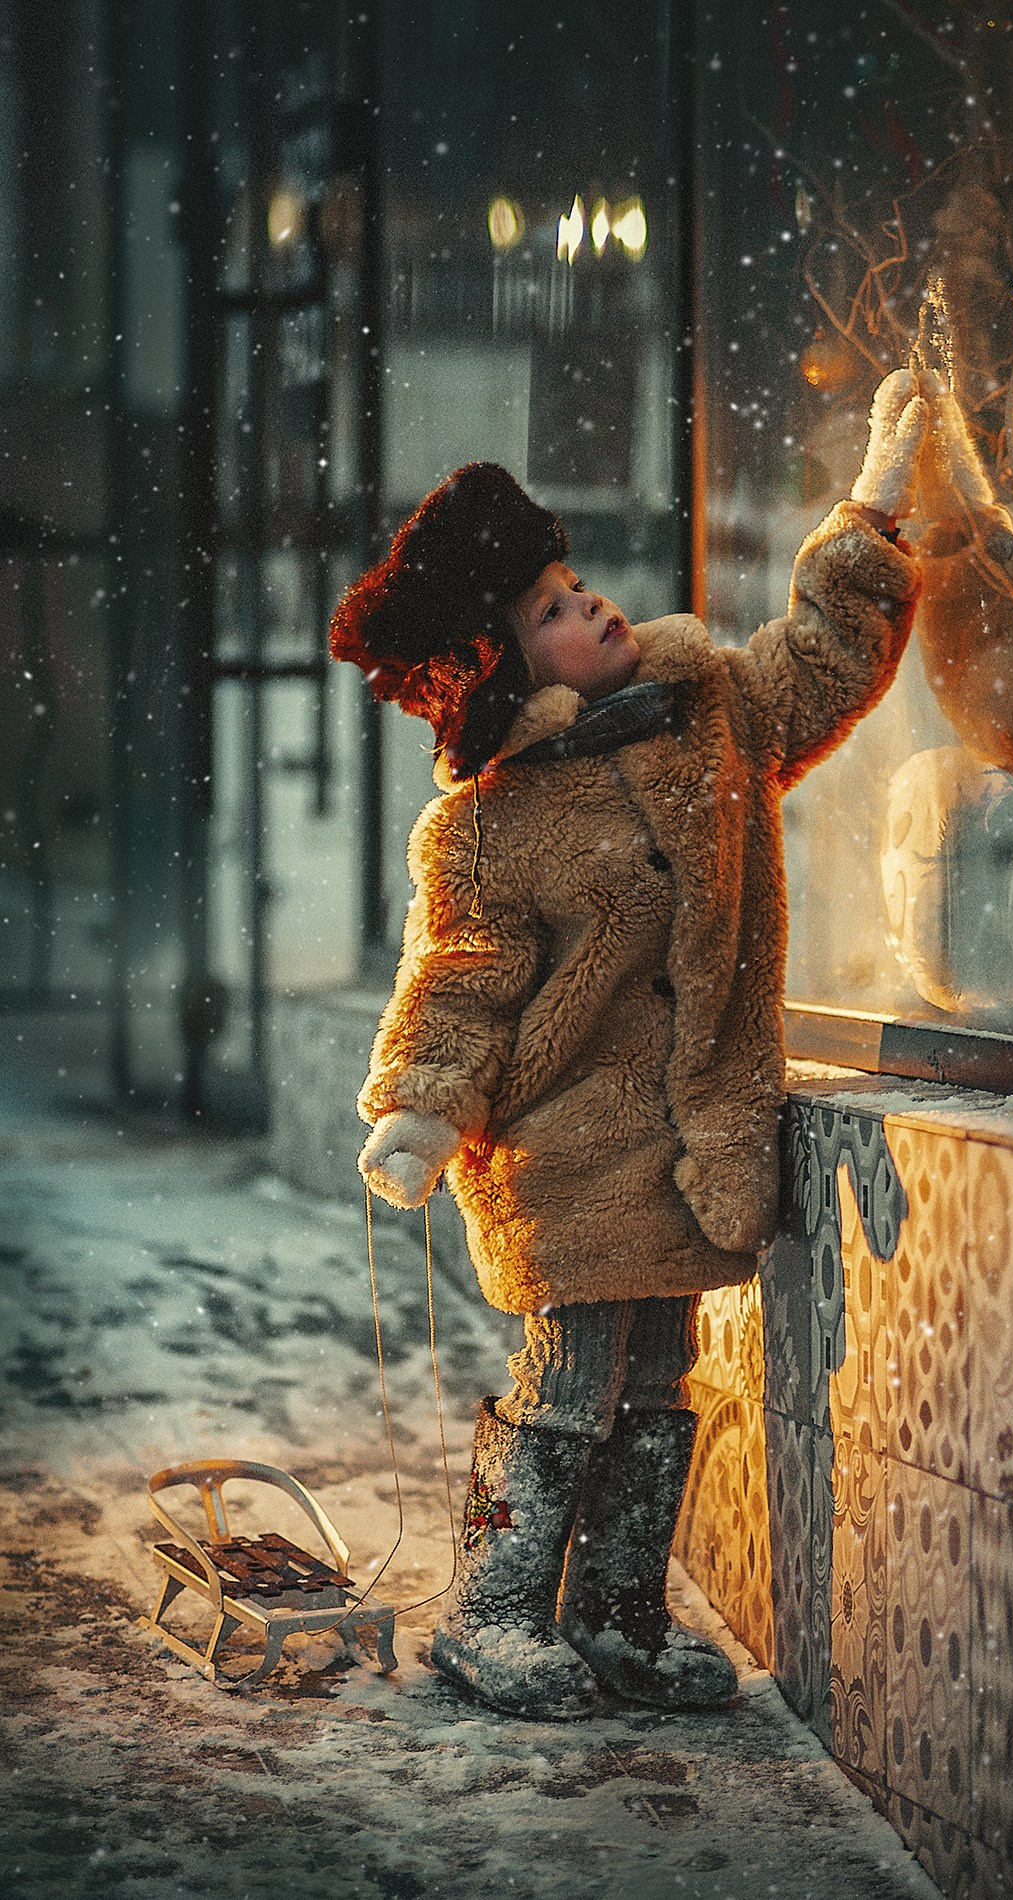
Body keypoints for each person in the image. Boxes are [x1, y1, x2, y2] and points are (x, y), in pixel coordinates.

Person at [328, 372, 927, 1721]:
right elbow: (460, 982)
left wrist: (875, 504)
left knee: (661, 1383)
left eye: (576, 582)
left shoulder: (709, 707)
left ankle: (614, 1612)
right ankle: (492, 1609)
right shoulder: (486, 823)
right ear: (500, 664)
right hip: (558, 1155)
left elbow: (819, 660)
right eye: (550, 609)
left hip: (681, 1155)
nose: (590, 604)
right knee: (568, 1381)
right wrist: (422, 1109)